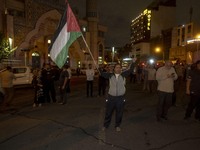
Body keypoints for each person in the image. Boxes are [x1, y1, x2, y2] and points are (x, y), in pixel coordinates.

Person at [100, 58, 136, 132]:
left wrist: (133, 62)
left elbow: (130, 70)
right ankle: (105, 125)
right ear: (114, 69)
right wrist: (99, 68)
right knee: (108, 112)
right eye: (117, 67)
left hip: (120, 98)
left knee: (119, 112)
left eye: (120, 67)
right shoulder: (110, 75)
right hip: (111, 97)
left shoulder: (123, 75)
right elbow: (102, 74)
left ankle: (117, 125)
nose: (118, 69)